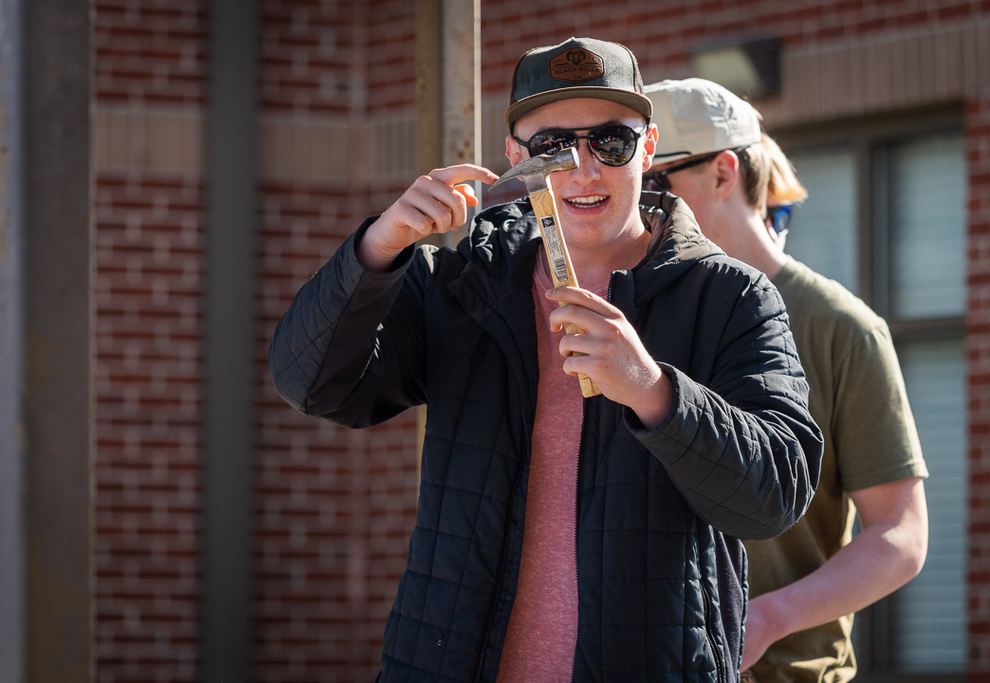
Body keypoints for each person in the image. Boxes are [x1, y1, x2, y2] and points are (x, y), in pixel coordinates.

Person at [269, 38, 822, 683]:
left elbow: (777, 495)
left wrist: (655, 392)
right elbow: (312, 383)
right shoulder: (462, 284)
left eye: (610, 143)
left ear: (647, 148)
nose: (583, 171)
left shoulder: (729, 295)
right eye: (553, 147)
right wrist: (377, 248)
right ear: (516, 158)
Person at [645, 78, 930, 683]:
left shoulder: (840, 327)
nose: (635, 204)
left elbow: (901, 534)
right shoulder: (625, 319)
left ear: (723, 173)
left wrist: (769, 618)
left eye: (654, 182)